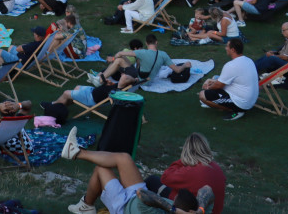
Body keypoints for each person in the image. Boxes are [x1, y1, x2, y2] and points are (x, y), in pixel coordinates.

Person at [60, 128, 212, 214]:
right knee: (124, 158)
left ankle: (86, 206)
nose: (172, 199)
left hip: (124, 207)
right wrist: (200, 209)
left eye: (174, 200)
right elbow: (207, 190)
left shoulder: (161, 209)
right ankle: (75, 152)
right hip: (137, 198)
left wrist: (173, 209)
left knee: (101, 169)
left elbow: (144, 195)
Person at [144, 133, 226, 214]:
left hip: (190, 210)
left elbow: (165, 177)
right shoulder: (217, 168)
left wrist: (184, 159)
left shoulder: (191, 171)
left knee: (152, 181)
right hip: (212, 210)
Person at [199, 38, 258, 120]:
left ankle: (236, 111)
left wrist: (208, 88)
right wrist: (211, 81)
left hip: (242, 103)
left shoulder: (231, 65)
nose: (225, 48)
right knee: (215, 78)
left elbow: (218, 86)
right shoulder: (249, 60)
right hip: (250, 98)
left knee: (202, 95)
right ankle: (214, 101)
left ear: (233, 50)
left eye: (227, 46)